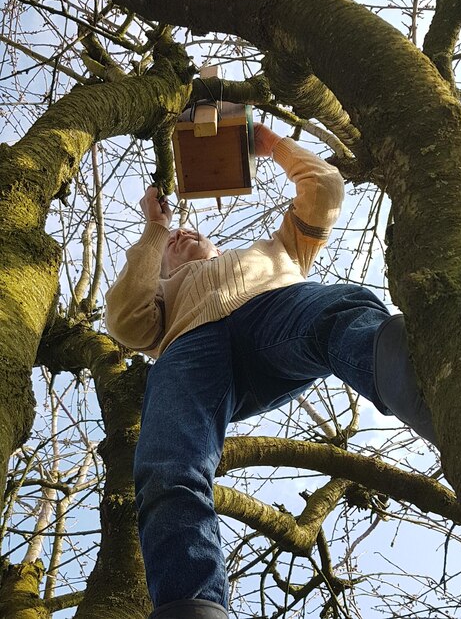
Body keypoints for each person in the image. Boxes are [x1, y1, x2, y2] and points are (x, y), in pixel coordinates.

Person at [105, 123, 436, 619]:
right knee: (168, 464)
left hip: (276, 311)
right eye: (173, 242)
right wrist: (154, 230)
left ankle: (432, 393)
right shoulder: (161, 300)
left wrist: (270, 143)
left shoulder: (280, 249)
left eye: (191, 233)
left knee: (338, 312)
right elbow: (124, 320)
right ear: (162, 264)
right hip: (190, 351)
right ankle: (192, 608)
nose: (183, 235)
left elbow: (323, 190)